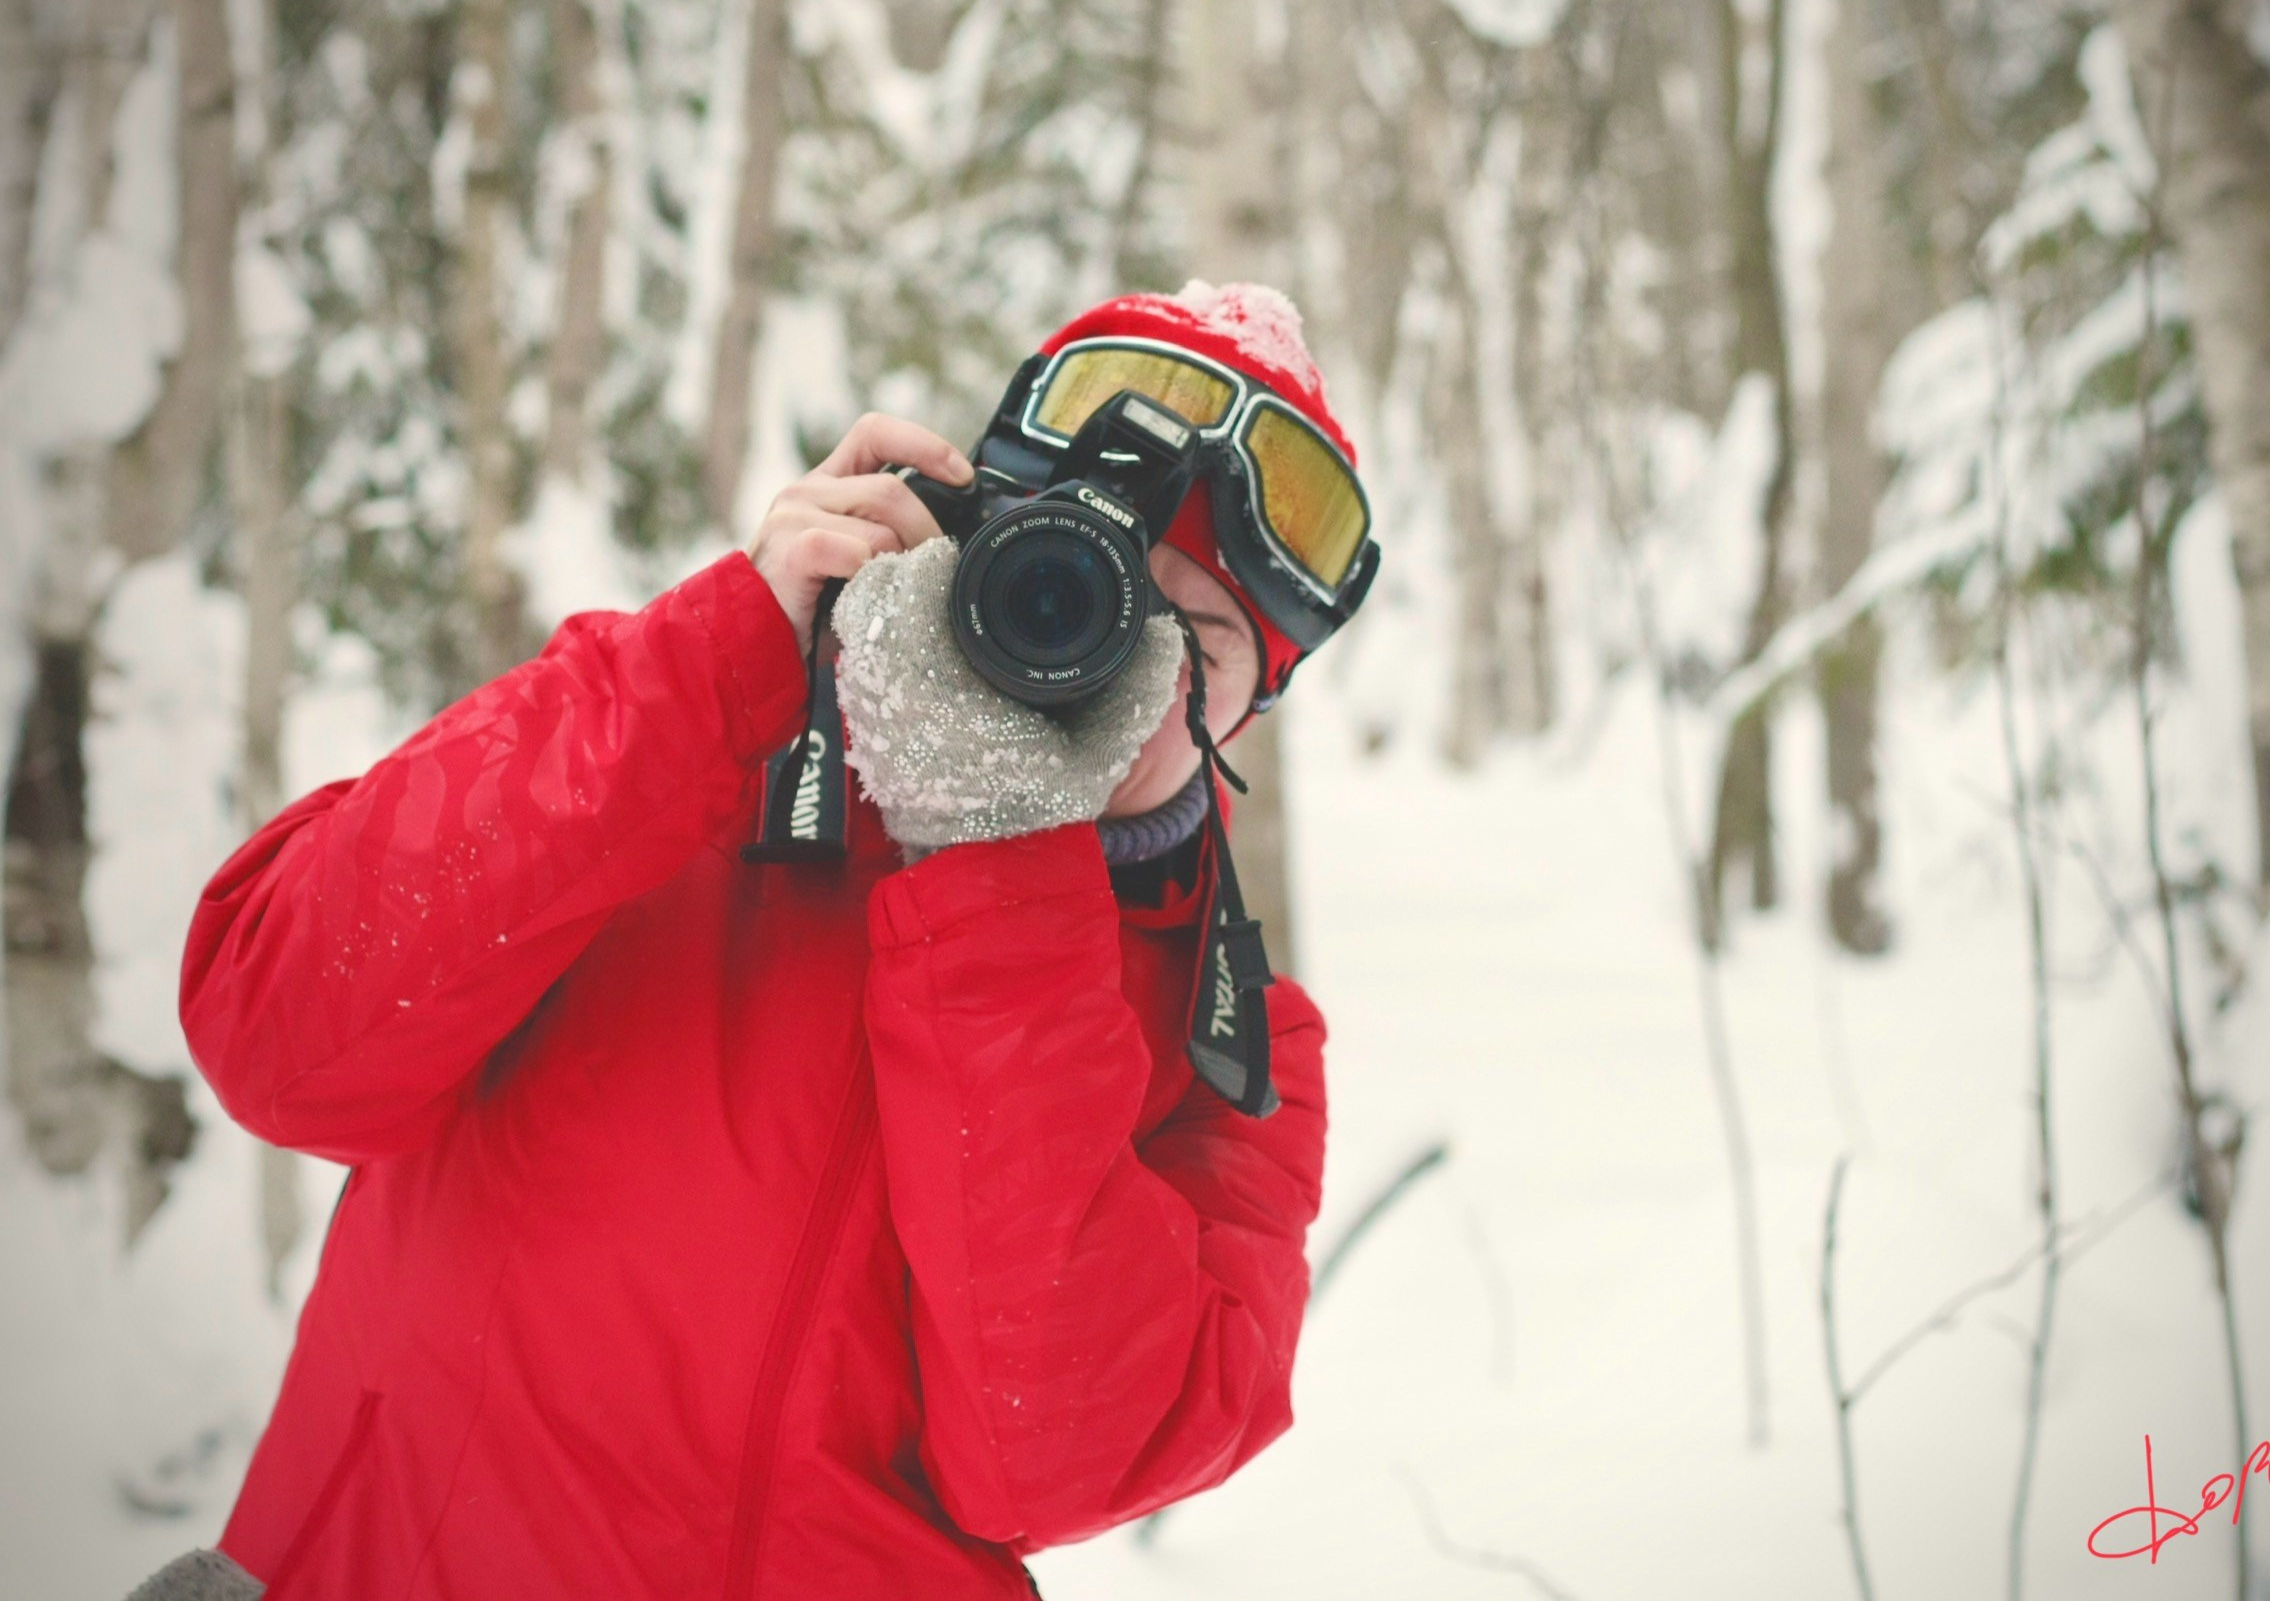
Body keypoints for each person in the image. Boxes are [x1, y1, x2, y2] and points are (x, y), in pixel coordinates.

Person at [141, 282, 1379, 1599]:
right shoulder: (691, 742)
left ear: (1247, 719)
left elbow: (1064, 1459)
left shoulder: (1238, 1050)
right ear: (976, 536)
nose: (1115, 664)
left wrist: (1000, 854)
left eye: (1195, 648)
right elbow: (272, 1030)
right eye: (1081, 585)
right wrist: (716, 654)